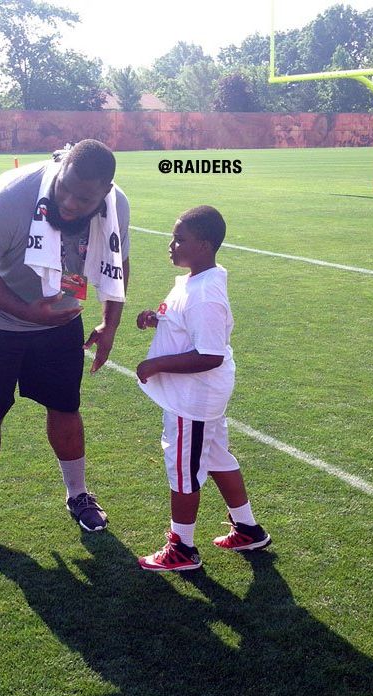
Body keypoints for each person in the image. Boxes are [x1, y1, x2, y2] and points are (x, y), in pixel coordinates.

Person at [0, 139, 130, 561]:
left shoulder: (115, 205)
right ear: (61, 168)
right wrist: (22, 311)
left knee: (66, 408)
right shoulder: (12, 196)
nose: (69, 203)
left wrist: (110, 323)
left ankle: (78, 495)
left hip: (59, 317)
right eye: (65, 188)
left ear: (104, 192)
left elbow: (116, 262)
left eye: (83, 197)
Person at [132, 206, 270, 572]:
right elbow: (184, 323)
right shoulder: (196, 280)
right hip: (197, 396)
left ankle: (182, 549)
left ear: (205, 245)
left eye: (180, 239)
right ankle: (248, 528)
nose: (171, 244)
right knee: (216, 459)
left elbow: (209, 354)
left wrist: (155, 364)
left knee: (183, 470)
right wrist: (156, 319)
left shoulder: (206, 294)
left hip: (193, 399)